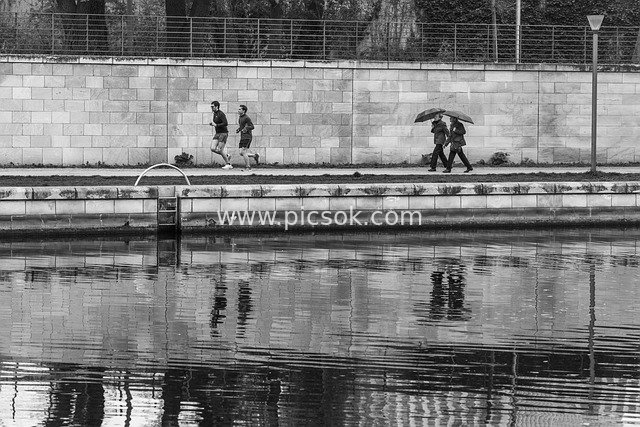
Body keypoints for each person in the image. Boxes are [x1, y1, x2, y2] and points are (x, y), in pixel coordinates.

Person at [209, 101, 232, 169]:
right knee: (212, 148)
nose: (211, 108)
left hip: (223, 133)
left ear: (217, 106)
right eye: (211, 107)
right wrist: (212, 124)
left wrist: (216, 125)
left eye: (213, 106)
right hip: (217, 133)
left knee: (220, 150)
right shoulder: (215, 114)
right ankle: (226, 155)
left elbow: (225, 123)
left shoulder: (221, 114)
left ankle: (228, 164)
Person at [236, 104, 259, 170]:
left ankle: (248, 167)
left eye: (240, 109)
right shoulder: (240, 117)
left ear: (244, 110)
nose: (238, 110)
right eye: (238, 109)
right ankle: (255, 156)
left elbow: (252, 126)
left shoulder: (246, 118)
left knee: (243, 152)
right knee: (241, 153)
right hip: (242, 136)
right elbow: (241, 126)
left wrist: (246, 128)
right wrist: (239, 129)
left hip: (247, 137)